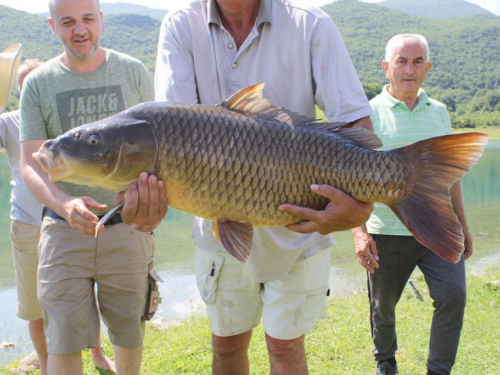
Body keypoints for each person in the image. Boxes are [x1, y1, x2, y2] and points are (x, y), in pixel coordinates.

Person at [155, 1, 373, 373]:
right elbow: (171, 131)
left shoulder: (311, 24)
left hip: (299, 225)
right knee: (225, 346)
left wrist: (360, 211)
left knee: (286, 349)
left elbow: (357, 127)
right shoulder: (179, 25)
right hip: (218, 225)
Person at [19, 0, 166, 373]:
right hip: (63, 228)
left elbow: (158, 151)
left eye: (87, 19)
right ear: (53, 26)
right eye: (67, 22)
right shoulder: (38, 83)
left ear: (101, 21)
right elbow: (30, 161)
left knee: (129, 332)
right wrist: (66, 204)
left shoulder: (133, 71)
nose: (79, 29)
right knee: (63, 339)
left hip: (127, 226)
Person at [352, 34, 471, 375]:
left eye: (418, 61)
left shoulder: (441, 113)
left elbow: (452, 178)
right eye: (401, 61)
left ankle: (439, 370)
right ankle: (386, 363)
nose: (409, 69)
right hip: (386, 232)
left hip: (437, 228)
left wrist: (462, 225)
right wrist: (359, 233)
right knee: (382, 306)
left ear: (428, 68)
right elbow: (350, 176)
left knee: (453, 294)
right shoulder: (367, 115)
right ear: (386, 67)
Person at [1, 58, 117, 374]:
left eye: (35, 81)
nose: (29, 89)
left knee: (83, 295)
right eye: (23, 84)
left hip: (68, 222)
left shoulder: (68, 121)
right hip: (27, 222)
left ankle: (96, 354)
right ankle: (48, 364)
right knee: (36, 307)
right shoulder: (8, 121)